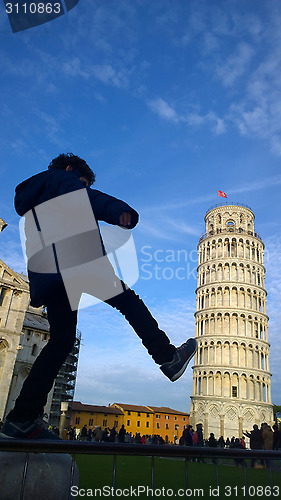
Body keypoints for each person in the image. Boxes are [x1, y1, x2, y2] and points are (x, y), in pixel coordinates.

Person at [0, 153, 197, 440]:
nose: (82, 187)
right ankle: (167, 356)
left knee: (61, 341)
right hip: (77, 261)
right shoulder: (61, 179)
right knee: (128, 301)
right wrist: (118, 211)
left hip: (50, 274)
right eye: (82, 182)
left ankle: (21, 418)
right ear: (70, 170)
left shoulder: (34, 197)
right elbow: (83, 200)